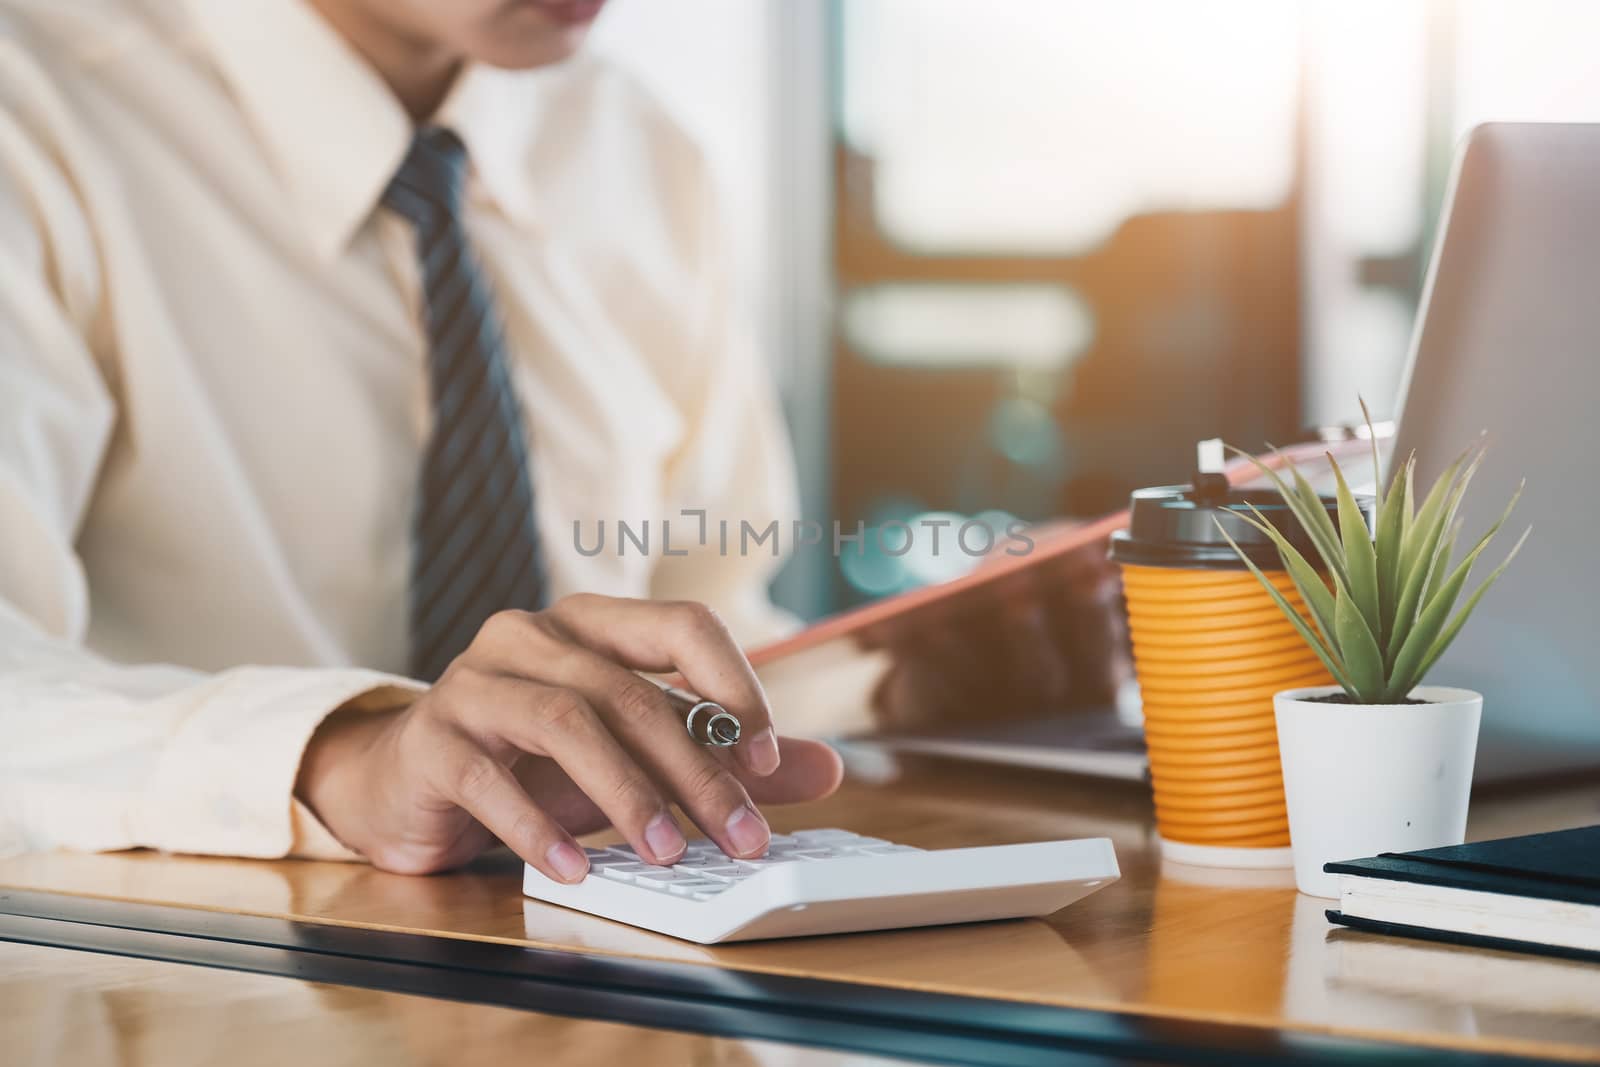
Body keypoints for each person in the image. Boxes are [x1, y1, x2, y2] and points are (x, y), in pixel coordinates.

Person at [0, 0, 845, 882]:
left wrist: (894, 684)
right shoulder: (35, 110)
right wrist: (341, 756)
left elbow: (707, 612)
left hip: (602, 941)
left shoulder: (638, 149)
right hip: (168, 965)